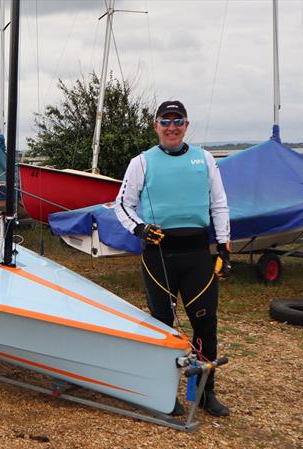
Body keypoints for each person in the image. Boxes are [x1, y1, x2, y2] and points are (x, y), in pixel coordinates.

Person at [114, 100, 231, 417]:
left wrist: (223, 246)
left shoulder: (204, 159)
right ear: (156, 126)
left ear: (186, 125)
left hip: (197, 255)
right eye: (165, 121)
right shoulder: (141, 162)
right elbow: (122, 205)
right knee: (163, 326)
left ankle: (207, 393)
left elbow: (219, 204)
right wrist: (141, 229)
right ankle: (163, 392)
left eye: (177, 121)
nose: (171, 127)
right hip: (159, 256)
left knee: (205, 325)